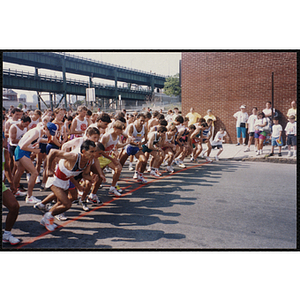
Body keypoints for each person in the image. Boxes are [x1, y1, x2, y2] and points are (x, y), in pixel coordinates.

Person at [40, 140, 98, 231]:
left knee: (60, 203)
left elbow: (84, 174)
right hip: (55, 179)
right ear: (83, 151)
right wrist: (49, 169)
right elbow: (52, 152)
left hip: (66, 180)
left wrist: (91, 179)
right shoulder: (74, 156)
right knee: (67, 204)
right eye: (91, 151)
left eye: (95, 151)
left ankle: (45, 219)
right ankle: (48, 216)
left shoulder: (88, 162)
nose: (94, 154)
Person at [13, 122, 58, 203]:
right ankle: (29, 197)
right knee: (34, 173)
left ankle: (14, 191)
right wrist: (35, 150)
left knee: (19, 172)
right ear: (46, 129)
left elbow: (41, 140)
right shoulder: (36, 132)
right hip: (22, 151)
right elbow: (23, 146)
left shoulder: (40, 131)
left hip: (21, 150)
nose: (49, 135)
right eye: (49, 133)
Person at [119, 113, 148, 184]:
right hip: (129, 146)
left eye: (143, 121)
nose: (142, 122)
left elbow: (146, 139)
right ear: (137, 119)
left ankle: (140, 176)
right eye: (141, 120)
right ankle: (117, 175)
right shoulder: (131, 126)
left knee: (144, 161)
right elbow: (129, 139)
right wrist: (137, 144)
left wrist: (141, 144)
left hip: (137, 148)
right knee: (120, 163)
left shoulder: (145, 128)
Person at [2, 147, 21, 245]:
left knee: (14, 206)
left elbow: (6, 168)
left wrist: (12, 184)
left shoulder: (4, 151)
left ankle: (6, 234)